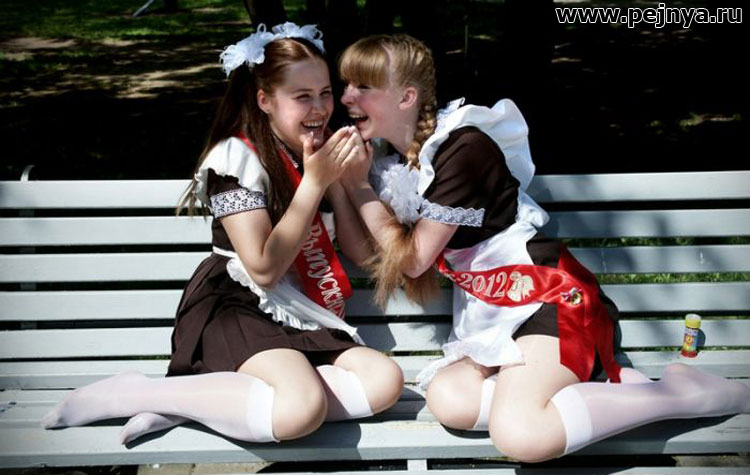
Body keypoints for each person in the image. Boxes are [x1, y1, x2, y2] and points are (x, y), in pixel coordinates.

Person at [337, 33, 750, 462]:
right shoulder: (396, 162)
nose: (347, 96)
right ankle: (591, 392)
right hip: (490, 315)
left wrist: (359, 187)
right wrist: (338, 183)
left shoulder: (462, 146)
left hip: (549, 300)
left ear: (406, 97)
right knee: (452, 399)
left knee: (521, 435)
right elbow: (366, 253)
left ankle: (679, 394)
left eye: (363, 86)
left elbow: (414, 260)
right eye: (346, 84)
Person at [41, 23, 403, 445]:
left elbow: (361, 256)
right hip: (237, 305)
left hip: (300, 307)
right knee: (300, 409)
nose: (320, 108)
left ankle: (193, 403)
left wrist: (345, 183)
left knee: (384, 381)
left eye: (325, 93)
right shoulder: (235, 158)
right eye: (302, 96)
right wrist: (314, 184)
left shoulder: (320, 153)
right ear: (265, 100)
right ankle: (133, 392)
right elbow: (263, 269)